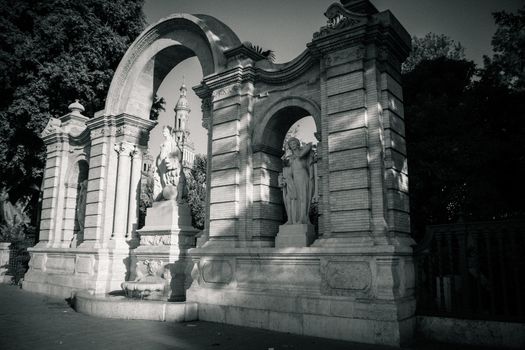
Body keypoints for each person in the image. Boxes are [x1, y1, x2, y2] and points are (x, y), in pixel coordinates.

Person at [280, 138, 314, 224]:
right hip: (294, 178)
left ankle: (303, 218)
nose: (292, 145)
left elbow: (309, 145)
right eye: (291, 144)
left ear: (297, 144)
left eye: (294, 143)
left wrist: (298, 155)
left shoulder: (302, 153)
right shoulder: (290, 157)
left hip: (302, 176)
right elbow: (288, 169)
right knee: (292, 198)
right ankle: (292, 219)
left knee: (303, 197)